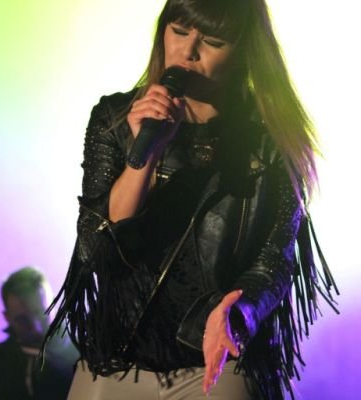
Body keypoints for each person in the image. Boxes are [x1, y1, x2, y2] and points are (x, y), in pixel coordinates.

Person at [44, 1, 339, 399]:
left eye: (212, 41)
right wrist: (144, 157)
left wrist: (238, 313)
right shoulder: (115, 118)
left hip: (216, 363)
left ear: (244, 51)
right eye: (179, 32)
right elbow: (96, 248)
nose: (188, 51)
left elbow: (275, 261)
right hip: (118, 357)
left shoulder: (270, 142)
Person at [0, 266, 78, 400]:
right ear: (7, 317)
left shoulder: (82, 353)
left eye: (41, 313)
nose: (36, 327)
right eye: (23, 319)